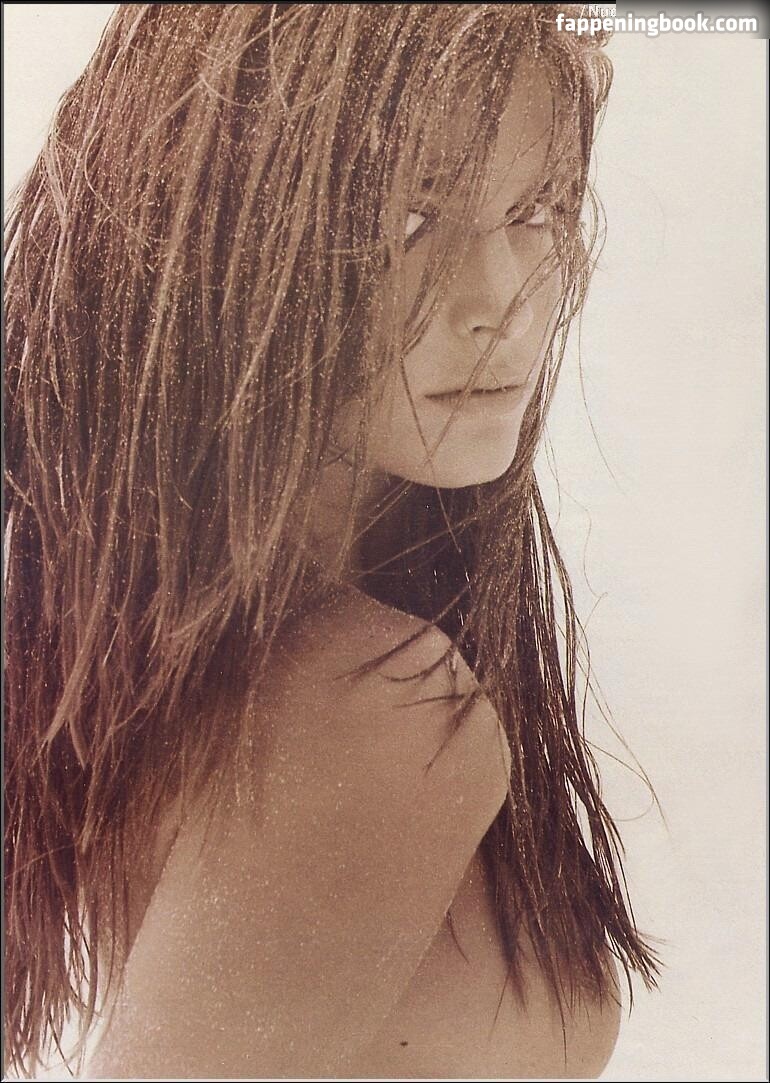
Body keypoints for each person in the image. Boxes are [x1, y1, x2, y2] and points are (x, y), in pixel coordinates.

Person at [3, 4, 659, 1078]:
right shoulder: (374, 707)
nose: (501, 302)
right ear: (213, 240)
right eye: (408, 221)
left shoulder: (173, 662)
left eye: (537, 210)